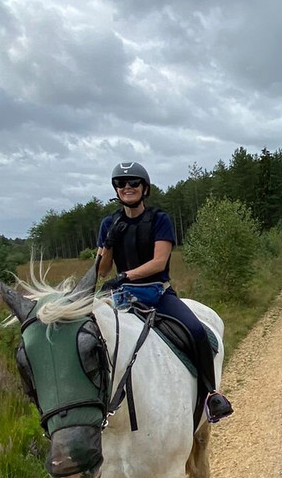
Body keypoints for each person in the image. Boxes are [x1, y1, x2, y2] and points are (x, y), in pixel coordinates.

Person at [97, 161, 233, 423]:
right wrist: (108, 243)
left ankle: (211, 395)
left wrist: (125, 275)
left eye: (134, 183)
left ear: (144, 188)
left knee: (195, 331)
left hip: (157, 294)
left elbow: (159, 262)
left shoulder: (160, 219)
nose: (127, 187)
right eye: (121, 183)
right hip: (121, 297)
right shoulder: (108, 223)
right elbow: (102, 270)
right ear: (115, 189)